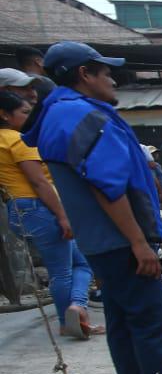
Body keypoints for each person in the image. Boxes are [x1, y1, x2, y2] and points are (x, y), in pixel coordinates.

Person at [26, 41, 162, 374]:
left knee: (124, 319)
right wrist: (139, 241)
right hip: (119, 239)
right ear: (84, 74)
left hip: (101, 240)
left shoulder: (62, 114)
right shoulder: (81, 116)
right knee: (151, 319)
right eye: (105, 72)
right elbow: (107, 186)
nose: (112, 79)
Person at [0, 91, 100, 338]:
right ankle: (72, 318)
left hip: (18, 209)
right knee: (63, 270)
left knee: (79, 263)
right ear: (5, 115)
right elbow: (39, 183)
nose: (29, 116)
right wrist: (63, 216)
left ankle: (77, 310)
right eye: (24, 112)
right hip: (39, 207)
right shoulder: (17, 140)